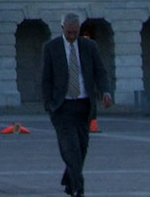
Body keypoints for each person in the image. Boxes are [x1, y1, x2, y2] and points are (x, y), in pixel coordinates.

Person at [39, 14, 111, 197]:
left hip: (84, 105)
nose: (72, 35)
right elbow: (46, 79)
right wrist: (49, 104)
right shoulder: (51, 48)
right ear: (62, 28)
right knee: (70, 148)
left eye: (75, 32)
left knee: (81, 148)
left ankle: (69, 181)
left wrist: (106, 92)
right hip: (62, 107)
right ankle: (79, 187)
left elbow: (100, 72)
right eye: (69, 32)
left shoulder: (89, 47)